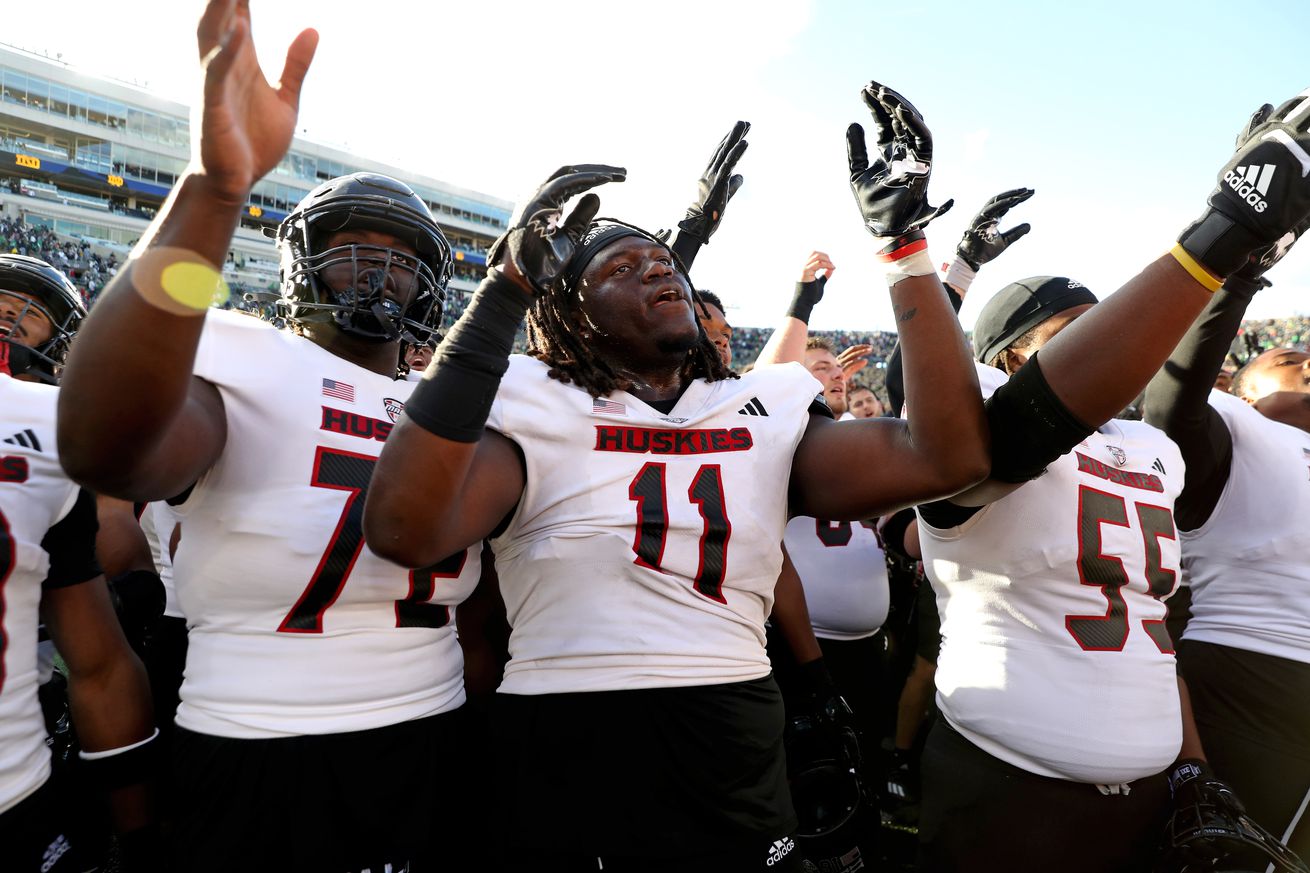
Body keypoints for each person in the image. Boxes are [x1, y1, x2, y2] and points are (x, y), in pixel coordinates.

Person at [365, 82, 991, 871]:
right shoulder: (535, 396)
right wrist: (503, 289)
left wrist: (905, 249)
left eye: (669, 264)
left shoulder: (757, 403)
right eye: (629, 268)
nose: (666, 275)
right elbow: (405, 529)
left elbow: (947, 456)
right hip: (565, 726)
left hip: (730, 717)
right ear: (568, 314)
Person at [55, 4, 481, 870]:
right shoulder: (244, 355)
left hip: (433, 731)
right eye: (352, 247)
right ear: (300, 265)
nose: (380, 270)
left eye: (402, 256)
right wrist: (212, 194)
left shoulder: (453, 400)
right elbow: (112, 449)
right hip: (261, 746)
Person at [908, 85, 1310, 870]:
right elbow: (934, 412)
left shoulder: (1149, 450)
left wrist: (1192, 764)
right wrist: (945, 268)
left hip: (1146, 786)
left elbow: (1152, 627)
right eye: (1076, 331)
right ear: (1011, 358)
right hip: (1008, 787)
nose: (1119, 343)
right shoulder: (985, 414)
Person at [1144, 156, 1310, 859]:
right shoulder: (1232, 426)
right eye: (1293, 362)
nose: (1309, 364)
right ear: (1243, 390)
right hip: (1254, 675)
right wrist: (1239, 266)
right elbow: (1170, 400)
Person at [0, 253, 158, 872]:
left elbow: (117, 544)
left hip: (23, 738)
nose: (10, 314)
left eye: (31, 312)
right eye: (1, 301)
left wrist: (121, 591)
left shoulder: (58, 426)